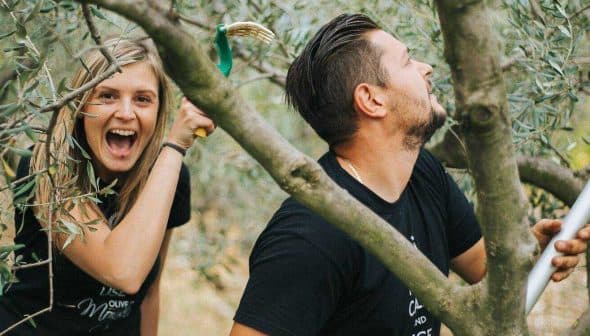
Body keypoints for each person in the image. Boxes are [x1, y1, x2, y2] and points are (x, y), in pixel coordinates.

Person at [230, 14, 590, 336]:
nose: (426, 67)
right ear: (371, 100)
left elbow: (484, 271)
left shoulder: (423, 175)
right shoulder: (310, 237)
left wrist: (533, 250)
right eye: (407, 61)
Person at [0, 38, 215, 335]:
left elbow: (148, 293)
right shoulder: (46, 167)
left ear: (158, 110)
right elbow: (123, 270)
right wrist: (176, 143)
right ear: (81, 105)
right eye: (108, 95)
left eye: (143, 99)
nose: (126, 113)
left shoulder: (170, 177)